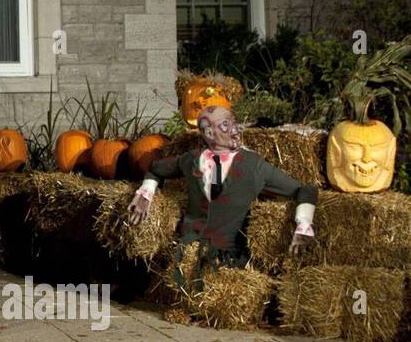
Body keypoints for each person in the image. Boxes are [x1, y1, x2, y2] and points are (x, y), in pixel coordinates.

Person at [128, 105, 317, 287]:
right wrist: (146, 192)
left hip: (227, 259)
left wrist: (304, 224)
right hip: (187, 252)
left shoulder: (255, 166)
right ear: (209, 134)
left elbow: (305, 189)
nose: (235, 130)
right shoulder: (191, 159)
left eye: (234, 124)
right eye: (226, 126)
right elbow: (155, 169)